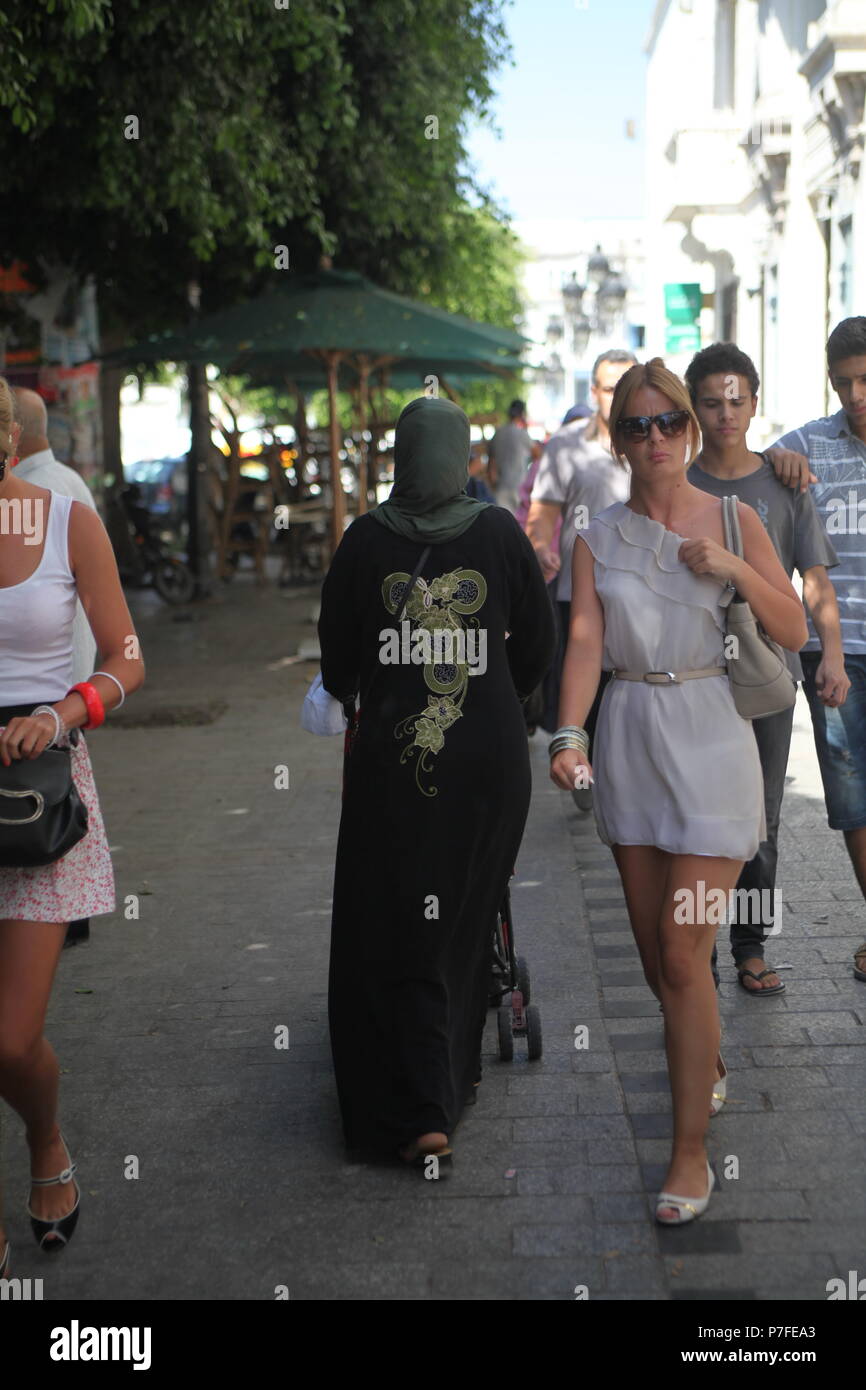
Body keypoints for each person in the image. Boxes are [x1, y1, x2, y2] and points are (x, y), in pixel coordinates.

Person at [550, 359, 807, 1224]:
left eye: (668, 422)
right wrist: (569, 732)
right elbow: (585, 638)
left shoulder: (734, 518)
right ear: (617, 437)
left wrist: (732, 571)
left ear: (690, 433)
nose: (654, 437)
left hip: (712, 743)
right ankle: (709, 1062)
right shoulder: (594, 536)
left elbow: (795, 625)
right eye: (636, 425)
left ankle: (689, 1156)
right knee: (660, 959)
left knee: (681, 951)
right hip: (630, 741)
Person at [319, 396, 555, 1164]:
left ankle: (419, 1103)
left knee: (396, 921)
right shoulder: (497, 531)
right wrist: (506, 696)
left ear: (399, 455)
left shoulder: (362, 542)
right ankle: (440, 1092)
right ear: (462, 458)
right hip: (487, 763)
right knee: (459, 919)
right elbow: (540, 640)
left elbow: (336, 661)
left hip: (395, 764)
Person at [0, 375, 145, 1279]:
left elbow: (130, 655)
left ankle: (45, 1140)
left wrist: (61, 714)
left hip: (40, 794)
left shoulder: (62, 521)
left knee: (10, 1037)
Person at [685, 343, 847, 997]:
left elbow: (814, 581)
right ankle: (694, 943)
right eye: (711, 402)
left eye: (737, 400)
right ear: (693, 408)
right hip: (690, 674)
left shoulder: (786, 481)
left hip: (768, 673)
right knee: (696, 811)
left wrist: (828, 655)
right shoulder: (677, 483)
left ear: (756, 401)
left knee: (764, 815)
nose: (726, 414)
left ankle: (749, 945)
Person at [767, 317, 866, 986]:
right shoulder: (808, 443)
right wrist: (776, 460)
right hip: (836, 650)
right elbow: (741, 465)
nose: (855, 394)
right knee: (854, 797)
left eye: (865, 380)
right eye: (843, 382)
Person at [12, 386, 101, 950]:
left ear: (13, 436)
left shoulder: (46, 498)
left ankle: (66, 919)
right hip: (70, 685)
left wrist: (71, 704)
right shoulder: (70, 480)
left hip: (55, 699)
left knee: (45, 809)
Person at [526, 350, 637, 798]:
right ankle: (585, 770)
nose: (618, 396)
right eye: (610, 387)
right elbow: (543, 512)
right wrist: (538, 547)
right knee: (586, 695)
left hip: (642, 595)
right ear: (594, 392)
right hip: (581, 594)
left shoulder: (658, 438)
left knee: (631, 695)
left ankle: (625, 782)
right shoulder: (567, 444)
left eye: (626, 385)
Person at [486, 398, 538, 514]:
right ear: (522, 415)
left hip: (501, 488)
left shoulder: (497, 433)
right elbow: (538, 455)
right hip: (520, 487)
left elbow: (491, 467)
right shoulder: (523, 434)